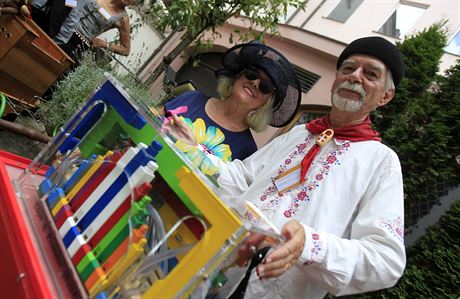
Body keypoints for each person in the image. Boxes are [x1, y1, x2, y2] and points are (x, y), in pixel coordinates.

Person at [165, 36, 406, 298]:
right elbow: (241, 178)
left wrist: (311, 244)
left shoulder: (382, 162)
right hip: (220, 265)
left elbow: (386, 260)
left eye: (370, 74)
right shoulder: (299, 134)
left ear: (386, 96)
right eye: (348, 68)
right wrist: (194, 148)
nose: (355, 76)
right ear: (336, 78)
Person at [163, 41, 301, 176]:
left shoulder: (247, 150)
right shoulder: (192, 98)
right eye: (252, 74)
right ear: (237, 76)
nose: (254, 82)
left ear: (266, 104)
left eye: (265, 86)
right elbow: (152, 118)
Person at [53, 0, 134, 61]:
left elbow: (126, 50)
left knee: (52, 67)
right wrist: (63, 7)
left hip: (76, 44)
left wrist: (103, 44)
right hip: (61, 25)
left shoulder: (123, 19)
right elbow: (72, 2)